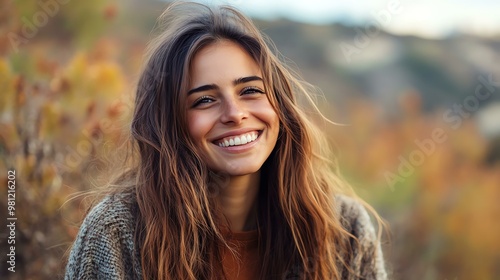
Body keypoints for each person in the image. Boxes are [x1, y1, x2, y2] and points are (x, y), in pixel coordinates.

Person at [64, 2, 388, 279]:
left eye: (250, 90)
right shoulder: (116, 234)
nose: (235, 113)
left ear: (279, 105)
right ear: (168, 124)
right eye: (204, 100)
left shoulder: (345, 231)